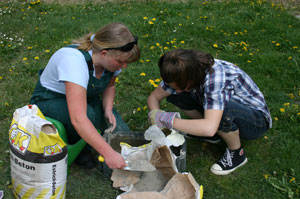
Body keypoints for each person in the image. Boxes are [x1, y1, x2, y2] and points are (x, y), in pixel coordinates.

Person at [30, 22, 140, 170]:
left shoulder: (112, 62)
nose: (124, 65)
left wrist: (108, 108)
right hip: (49, 99)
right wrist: (109, 154)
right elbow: (78, 119)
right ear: (103, 53)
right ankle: (81, 152)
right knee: (88, 116)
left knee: (121, 133)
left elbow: (110, 85)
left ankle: (91, 140)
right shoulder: (74, 62)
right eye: (121, 61)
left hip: (84, 97)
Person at [148, 49, 272, 175]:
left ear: (191, 76)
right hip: (219, 113)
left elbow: (209, 127)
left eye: (180, 86)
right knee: (178, 95)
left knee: (221, 111)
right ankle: (214, 134)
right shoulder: (182, 73)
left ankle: (237, 154)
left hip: (256, 121)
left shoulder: (215, 78)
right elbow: (154, 97)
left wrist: (168, 120)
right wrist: (155, 114)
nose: (178, 89)